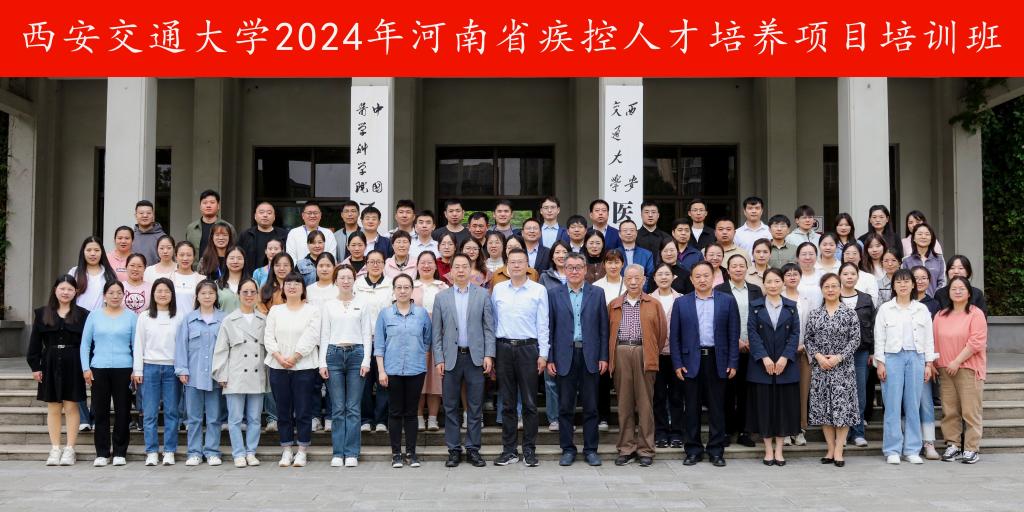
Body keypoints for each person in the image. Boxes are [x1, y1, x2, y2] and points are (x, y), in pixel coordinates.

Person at [672, 261, 740, 467]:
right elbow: (675, 337)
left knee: (717, 408)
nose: (702, 280)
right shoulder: (681, 303)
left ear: (714, 278)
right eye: (698, 276)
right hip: (690, 361)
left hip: (717, 360)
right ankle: (692, 450)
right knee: (691, 408)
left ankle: (716, 450)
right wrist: (677, 363)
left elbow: (733, 334)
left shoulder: (727, 301)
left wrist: (733, 361)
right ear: (691, 279)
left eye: (706, 275)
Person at [431, 253, 495, 468]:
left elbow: (489, 328)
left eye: (464, 266)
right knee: (450, 406)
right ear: (450, 271)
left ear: (470, 270)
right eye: (456, 267)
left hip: (475, 358)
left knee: (475, 407)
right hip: (451, 358)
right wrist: (438, 358)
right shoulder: (442, 297)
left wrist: (489, 355)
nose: (460, 270)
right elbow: (436, 332)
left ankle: (473, 449)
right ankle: (454, 450)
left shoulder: (482, 295)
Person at [546, 253, 608, 466]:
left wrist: (603, 356)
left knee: (591, 407)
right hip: (564, 356)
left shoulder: (597, 293)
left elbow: (603, 328)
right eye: (570, 267)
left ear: (585, 270)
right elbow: (550, 328)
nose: (574, 271)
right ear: (564, 270)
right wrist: (550, 358)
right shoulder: (554, 294)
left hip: (590, 355)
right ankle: (567, 449)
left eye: (578, 267)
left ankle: (591, 450)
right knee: (565, 407)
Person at [491, 249, 550, 467]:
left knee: (530, 403)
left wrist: (543, 354)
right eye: (512, 262)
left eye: (520, 262)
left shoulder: (538, 290)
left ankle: (529, 450)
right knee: (507, 403)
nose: (516, 266)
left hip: (528, 349)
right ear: (507, 265)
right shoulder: (498, 289)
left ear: (527, 265)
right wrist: (492, 353)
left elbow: (543, 324)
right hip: (504, 348)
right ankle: (509, 451)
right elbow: (493, 322)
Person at [874, 269, 936, 465]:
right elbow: (879, 337)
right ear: (893, 285)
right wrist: (880, 362)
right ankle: (892, 449)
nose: (903, 285)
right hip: (892, 358)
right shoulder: (885, 309)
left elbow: (929, 338)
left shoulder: (921, 309)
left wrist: (928, 363)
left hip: (916, 357)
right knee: (892, 405)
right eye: (899, 282)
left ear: (912, 284)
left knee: (913, 405)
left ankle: (912, 449)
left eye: (906, 281)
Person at [609, 264, 667, 467]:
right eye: (629, 278)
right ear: (624, 280)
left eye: (637, 278)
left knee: (645, 403)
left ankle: (646, 449)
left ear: (644, 280)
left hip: (644, 353)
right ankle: (626, 448)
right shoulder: (615, 304)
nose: (633, 282)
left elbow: (661, 334)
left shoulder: (654, 304)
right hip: (621, 352)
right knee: (624, 403)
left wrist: (650, 351)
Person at [27, 276, 89, 466]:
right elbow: (35, 343)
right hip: (50, 363)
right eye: (62, 288)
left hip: (74, 363)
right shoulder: (42, 313)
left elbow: (88, 343)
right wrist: (35, 366)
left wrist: (87, 367)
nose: (65, 292)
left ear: (75, 292)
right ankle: (55, 448)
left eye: (70, 289)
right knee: (53, 407)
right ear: (55, 290)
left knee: (71, 406)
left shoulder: (83, 314)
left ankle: (70, 449)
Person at [374, 274, 432, 468]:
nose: (402, 291)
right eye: (398, 287)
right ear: (393, 290)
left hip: (416, 370)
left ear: (412, 290)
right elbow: (379, 345)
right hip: (392, 370)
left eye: (406, 287)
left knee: (411, 412)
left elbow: (427, 340)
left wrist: (419, 358)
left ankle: (412, 453)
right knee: (395, 411)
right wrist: (381, 371)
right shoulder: (385, 314)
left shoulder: (421, 314)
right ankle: (396, 453)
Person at [264, 271, 321, 467]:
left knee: (303, 409)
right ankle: (287, 449)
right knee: (283, 410)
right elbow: (268, 336)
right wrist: (279, 357)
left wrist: (295, 356)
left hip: (304, 366)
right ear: (283, 287)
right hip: (278, 366)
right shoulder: (275, 311)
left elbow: (312, 336)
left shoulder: (312, 311)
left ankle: (302, 450)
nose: (292, 286)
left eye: (297, 283)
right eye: (288, 283)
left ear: (303, 288)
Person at [804, 273, 862, 467]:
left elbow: (855, 340)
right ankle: (830, 448)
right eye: (827, 286)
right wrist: (819, 357)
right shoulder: (814, 314)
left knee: (842, 409)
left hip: (843, 368)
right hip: (821, 368)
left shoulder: (849, 313)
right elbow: (808, 339)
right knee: (823, 410)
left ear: (840, 288)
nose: (830, 290)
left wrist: (839, 357)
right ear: (822, 290)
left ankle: (839, 450)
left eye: (834, 286)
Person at [319, 264, 373, 467]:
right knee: (338, 407)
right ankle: (337, 452)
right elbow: (324, 334)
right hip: (333, 355)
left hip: (356, 354)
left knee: (353, 407)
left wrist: (366, 360)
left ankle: (351, 453)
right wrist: (322, 362)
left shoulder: (363, 303)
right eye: (341, 277)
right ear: (336, 280)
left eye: (349, 277)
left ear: (354, 280)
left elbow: (367, 333)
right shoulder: (328, 305)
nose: (345, 281)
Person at [746, 268, 801, 466]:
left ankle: (779, 450)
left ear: (783, 283)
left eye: (777, 281)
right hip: (762, 366)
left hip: (786, 366)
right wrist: (764, 358)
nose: (773, 285)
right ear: (764, 284)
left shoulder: (791, 307)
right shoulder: (755, 306)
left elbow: (795, 334)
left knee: (783, 409)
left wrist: (785, 357)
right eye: (769, 281)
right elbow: (752, 333)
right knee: (764, 408)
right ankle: (768, 450)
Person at [212, 278, 268, 468]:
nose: (249, 295)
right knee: (235, 418)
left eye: (253, 292)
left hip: (257, 374)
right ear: (238, 295)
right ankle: (238, 453)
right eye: (245, 292)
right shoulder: (229, 320)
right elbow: (221, 350)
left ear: (257, 295)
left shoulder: (263, 319)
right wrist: (221, 374)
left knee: (255, 418)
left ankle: (251, 452)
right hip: (235, 374)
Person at [80, 281, 137, 466]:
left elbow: (136, 345)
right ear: (104, 295)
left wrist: (136, 369)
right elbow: (85, 344)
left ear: (123, 295)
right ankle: (102, 453)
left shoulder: (131, 317)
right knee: (100, 412)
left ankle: (120, 452)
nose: (115, 296)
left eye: (119, 292)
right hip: (99, 368)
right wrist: (85, 368)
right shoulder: (94, 316)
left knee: (123, 411)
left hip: (124, 368)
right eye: (111, 292)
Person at [933, 276, 988, 464]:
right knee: (950, 410)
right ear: (948, 293)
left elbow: (976, 342)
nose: (957, 291)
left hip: (968, 368)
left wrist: (957, 361)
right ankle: (953, 444)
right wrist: (934, 363)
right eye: (953, 288)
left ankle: (971, 448)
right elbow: (934, 341)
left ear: (969, 292)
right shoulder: (940, 315)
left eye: (961, 288)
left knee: (970, 411)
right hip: (945, 369)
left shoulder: (975, 314)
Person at [174, 279, 226, 466]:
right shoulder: (189, 319)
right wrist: (182, 369)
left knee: (214, 417)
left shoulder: (224, 319)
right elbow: (181, 345)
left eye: (211, 293)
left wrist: (224, 373)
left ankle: (212, 452)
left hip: (215, 377)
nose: (207, 296)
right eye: (203, 293)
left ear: (216, 296)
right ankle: (194, 452)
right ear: (197, 296)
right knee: (194, 418)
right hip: (193, 376)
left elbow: (228, 348)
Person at [132, 278, 183, 466]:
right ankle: (152, 451)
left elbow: (182, 346)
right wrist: (138, 369)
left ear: (172, 295)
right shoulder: (145, 317)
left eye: (167, 291)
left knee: (171, 412)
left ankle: (169, 450)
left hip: (172, 369)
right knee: (150, 413)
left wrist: (182, 368)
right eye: (159, 291)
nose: (163, 294)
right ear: (153, 294)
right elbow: (139, 344)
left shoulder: (179, 316)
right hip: (149, 367)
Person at [717, 254, 763, 448]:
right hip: (728, 348)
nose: (738, 269)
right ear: (728, 270)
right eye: (734, 266)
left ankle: (745, 431)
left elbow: (761, 318)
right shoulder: (719, 290)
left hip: (751, 349)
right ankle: (727, 430)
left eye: (741, 266)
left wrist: (752, 341)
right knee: (727, 391)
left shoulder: (755, 290)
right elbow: (718, 320)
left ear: (747, 268)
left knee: (747, 391)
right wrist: (735, 341)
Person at [354, 250, 394, 432]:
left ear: (384, 264)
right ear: (366, 264)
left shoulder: (390, 284)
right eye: (372, 261)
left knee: (384, 380)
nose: (375, 265)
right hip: (362, 340)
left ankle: (381, 420)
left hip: (385, 340)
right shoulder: (358, 284)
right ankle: (366, 419)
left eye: (379, 262)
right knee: (364, 381)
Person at [838, 263, 876, 448]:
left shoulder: (866, 299)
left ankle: (858, 432)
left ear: (857, 277)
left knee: (859, 393)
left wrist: (873, 351)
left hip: (861, 352)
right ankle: (842, 433)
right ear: (840, 276)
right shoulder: (833, 296)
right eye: (845, 273)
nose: (849, 277)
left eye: (852, 274)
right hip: (838, 354)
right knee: (841, 392)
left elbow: (873, 326)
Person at [410, 251, 449, 431]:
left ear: (435, 265)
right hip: (415, 338)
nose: (426, 266)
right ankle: (418, 417)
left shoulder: (443, 287)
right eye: (422, 262)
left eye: (430, 262)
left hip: (439, 337)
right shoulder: (411, 286)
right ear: (417, 266)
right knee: (418, 377)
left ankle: (433, 418)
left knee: (435, 378)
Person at [650, 263, 684, 450]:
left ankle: (677, 432)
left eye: (667, 274)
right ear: (654, 278)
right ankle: (661, 432)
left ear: (673, 277)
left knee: (677, 396)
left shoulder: (682, 299)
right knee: (658, 396)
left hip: (677, 356)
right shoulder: (648, 299)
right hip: (655, 356)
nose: (663, 277)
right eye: (660, 274)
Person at [781, 263, 812, 446]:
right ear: (783, 279)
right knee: (784, 392)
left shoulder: (806, 300)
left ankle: (800, 429)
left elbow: (811, 327)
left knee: (802, 392)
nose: (792, 277)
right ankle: (784, 430)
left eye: (795, 274)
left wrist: (804, 345)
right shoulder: (777, 298)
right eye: (788, 274)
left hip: (803, 352)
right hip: (782, 354)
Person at [237, 202, 288, 275]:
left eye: (269, 213)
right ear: (255, 216)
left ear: (274, 217)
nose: (265, 215)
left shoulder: (284, 235)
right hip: (250, 277)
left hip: (278, 276)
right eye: (261, 212)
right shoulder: (246, 235)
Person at [184, 190, 236, 258]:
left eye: (212, 202)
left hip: (220, 264)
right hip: (196, 265)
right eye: (205, 203)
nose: (208, 205)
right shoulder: (191, 228)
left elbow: (234, 250)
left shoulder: (228, 227)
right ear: (200, 206)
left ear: (218, 206)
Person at [901, 223, 946, 296]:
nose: (923, 237)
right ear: (914, 238)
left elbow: (942, 282)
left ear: (931, 239)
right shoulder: (906, 261)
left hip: (934, 300)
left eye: (927, 234)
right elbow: (904, 283)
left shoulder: (939, 259)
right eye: (920, 234)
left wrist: (934, 299)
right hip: (913, 301)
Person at [170, 241, 205, 316]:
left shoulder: (202, 280)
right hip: (172, 321)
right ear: (176, 257)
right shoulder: (168, 278)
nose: (185, 258)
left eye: (189, 255)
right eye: (181, 255)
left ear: (194, 257)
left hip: (194, 321)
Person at [841, 242, 881, 307]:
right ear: (843, 256)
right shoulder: (835, 276)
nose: (851, 257)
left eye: (854, 253)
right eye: (847, 253)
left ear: (860, 257)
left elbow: (873, 302)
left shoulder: (869, 278)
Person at [132, 200, 166, 267]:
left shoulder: (162, 238)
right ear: (135, 215)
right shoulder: (130, 237)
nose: (145, 215)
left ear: (153, 215)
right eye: (141, 213)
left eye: (148, 213)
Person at [216, 246, 248, 313]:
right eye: (231, 258)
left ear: (244, 261)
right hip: (224, 320)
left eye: (239, 258)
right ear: (226, 261)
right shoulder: (217, 284)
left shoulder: (252, 283)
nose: (235, 261)